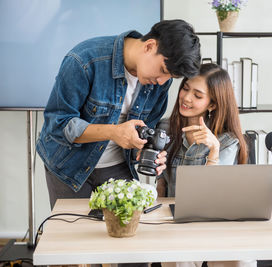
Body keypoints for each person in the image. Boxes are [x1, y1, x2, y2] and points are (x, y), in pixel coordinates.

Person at [36, 19, 201, 210]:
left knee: (126, 233)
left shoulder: (160, 82)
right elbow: (58, 125)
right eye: (163, 71)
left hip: (118, 167)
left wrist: (149, 151)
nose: (162, 81)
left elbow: (147, 127)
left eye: (170, 77)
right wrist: (114, 132)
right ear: (149, 46)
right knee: (73, 233)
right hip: (69, 166)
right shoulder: (84, 59)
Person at [156, 64, 253, 267]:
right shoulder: (165, 129)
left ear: (212, 104)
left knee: (241, 260)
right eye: (185, 88)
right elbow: (161, 186)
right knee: (179, 260)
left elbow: (217, 194)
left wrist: (214, 152)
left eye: (198, 95)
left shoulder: (227, 140)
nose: (186, 98)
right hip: (176, 219)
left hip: (218, 219)